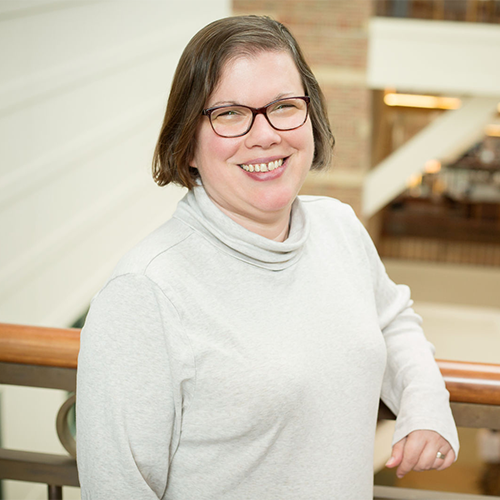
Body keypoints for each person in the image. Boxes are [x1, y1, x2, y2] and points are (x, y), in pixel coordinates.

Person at [76, 15, 459, 500]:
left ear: (311, 117)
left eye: (283, 106)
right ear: (187, 143)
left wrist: (425, 403)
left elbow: (393, 321)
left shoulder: (338, 227)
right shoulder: (144, 293)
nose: (266, 135)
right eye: (230, 113)